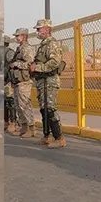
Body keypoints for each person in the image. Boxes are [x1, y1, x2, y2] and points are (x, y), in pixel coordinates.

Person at [30, 19, 65, 147]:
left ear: (46, 29)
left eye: (39, 29)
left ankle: (59, 138)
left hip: (50, 81)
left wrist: (38, 68)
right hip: (42, 81)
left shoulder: (52, 44)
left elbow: (55, 62)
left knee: (50, 109)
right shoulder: (43, 45)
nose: (37, 32)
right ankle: (47, 136)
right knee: (44, 109)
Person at [9, 28, 36, 137]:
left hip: (24, 81)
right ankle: (24, 127)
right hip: (17, 81)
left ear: (24, 36)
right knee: (18, 105)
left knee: (25, 104)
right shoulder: (19, 48)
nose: (16, 38)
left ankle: (31, 128)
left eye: (18, 36)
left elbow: (30, 64)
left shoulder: (27, 49)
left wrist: (17, 64)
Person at [3, 36, 17, 132]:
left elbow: (12, 66)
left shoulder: (9, 52)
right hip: (4, 80)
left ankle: (13, 122)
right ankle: (6, 121)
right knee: (5, 102)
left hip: (8, 81)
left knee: (10, 101)